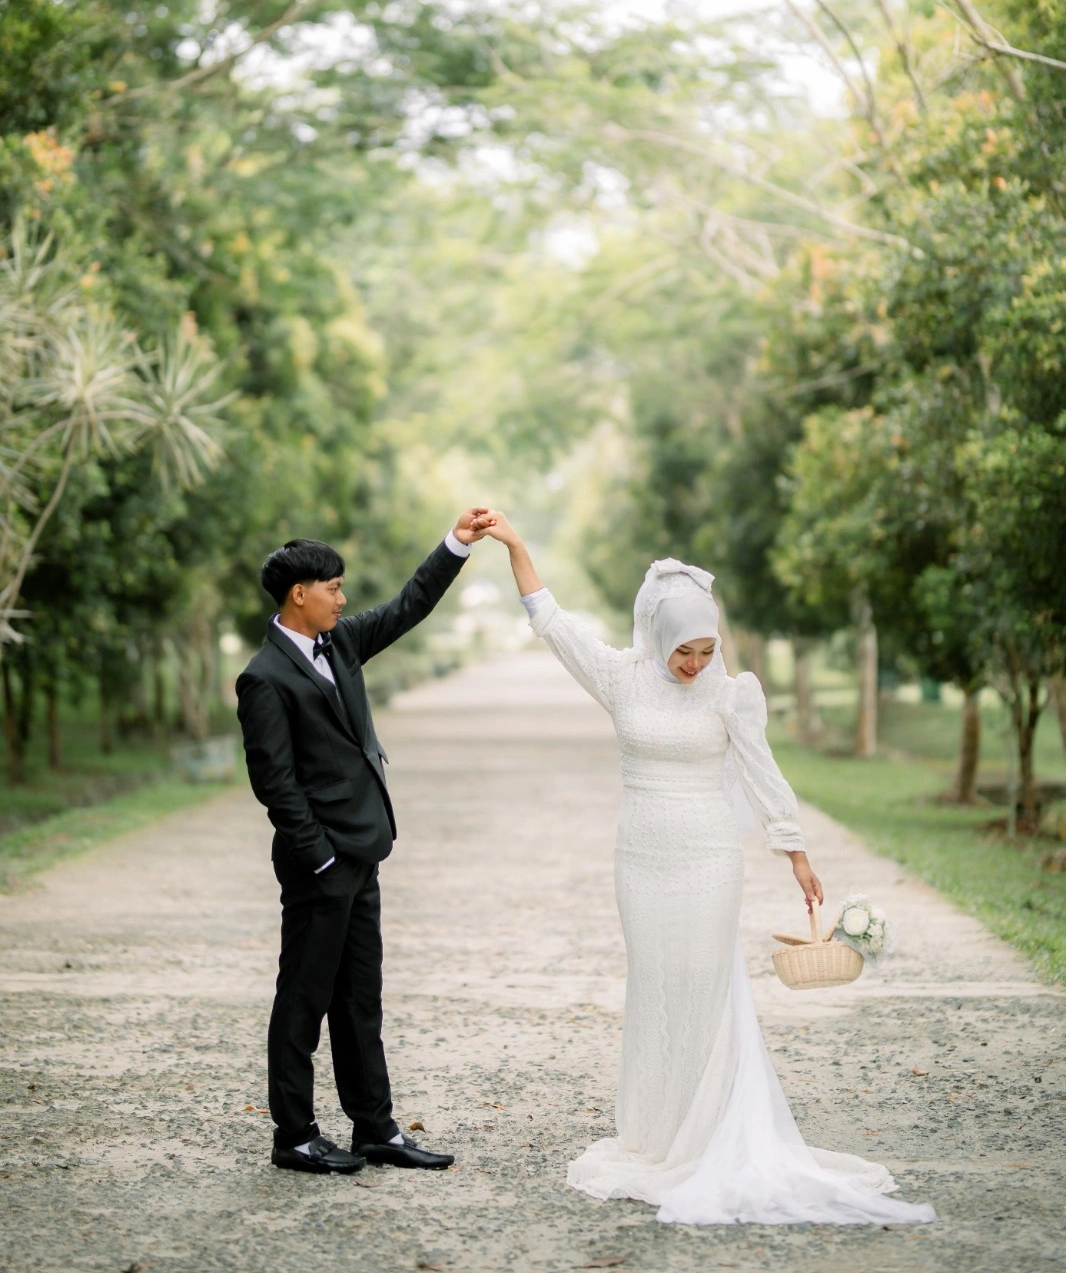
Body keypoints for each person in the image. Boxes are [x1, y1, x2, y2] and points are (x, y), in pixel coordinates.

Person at [474, 510, 935, 1228]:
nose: (694, 663)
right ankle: (658, 1136)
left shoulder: (729, 693)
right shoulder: (621, 678)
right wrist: (515, 544)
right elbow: (551, 620)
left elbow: (762, 772)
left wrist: (796, 853)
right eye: (683, 651)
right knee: (656, 984)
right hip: (640, 858)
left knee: (705, 984)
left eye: (705, 649)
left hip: (710, 858)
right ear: (658, 639)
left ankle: (714, 1131)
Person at [236, 512, 487, 1176]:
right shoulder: (263, 678)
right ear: (300, 594)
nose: (343, 599)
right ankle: (294, 1135)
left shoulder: (341, 643)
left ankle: (374, 1127)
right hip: (319, 864)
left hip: (363, 854)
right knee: (303, 1001)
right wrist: (319, 854)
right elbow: (275, 783)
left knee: (359, 1001)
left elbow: (409, 605)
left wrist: (456, 544)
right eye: (334, 588)